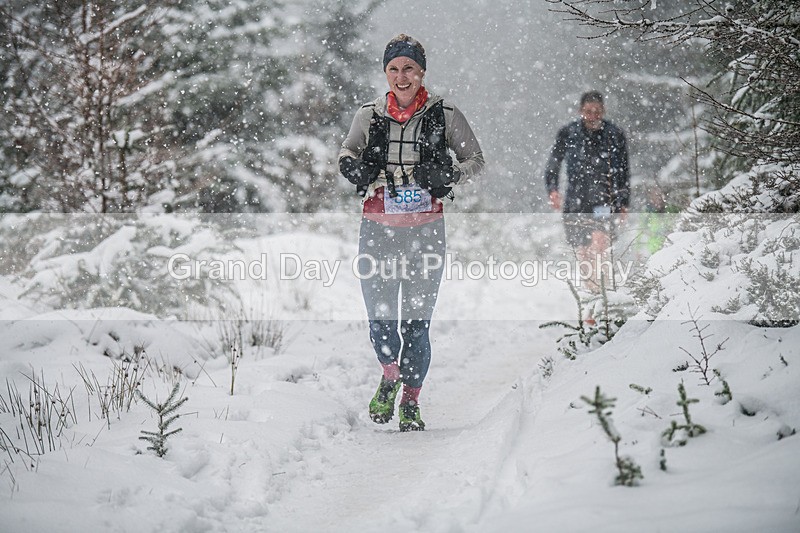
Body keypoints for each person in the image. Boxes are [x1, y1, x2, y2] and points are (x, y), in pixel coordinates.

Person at [339, 34, 484, 431]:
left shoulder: (446, 114)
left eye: (409, 68)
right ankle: (389, 375)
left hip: (425, 232)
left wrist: (450, 174)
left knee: (416, 324)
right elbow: (347, 153)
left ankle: (411, 401)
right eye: (394, 69)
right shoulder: (368, 116)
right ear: (385, 72)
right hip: (377, 230)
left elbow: (476, 160)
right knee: (380, 321)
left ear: (422, 71)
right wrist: (354, 169)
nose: (401, 77)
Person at [544, 90, 630, 293]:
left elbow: (623, 171)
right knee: (583, 252)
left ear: (603, 110)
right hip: (576, 201)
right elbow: (553, 164)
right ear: (580, 111)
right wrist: (553, 189)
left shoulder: (614, 134)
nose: (592, 115)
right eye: (588, 111)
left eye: (597, 111)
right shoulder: (568, 133)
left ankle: (606, 295)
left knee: (600, 246)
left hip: (603, 200)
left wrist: (623, 202)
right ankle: (592, 297)